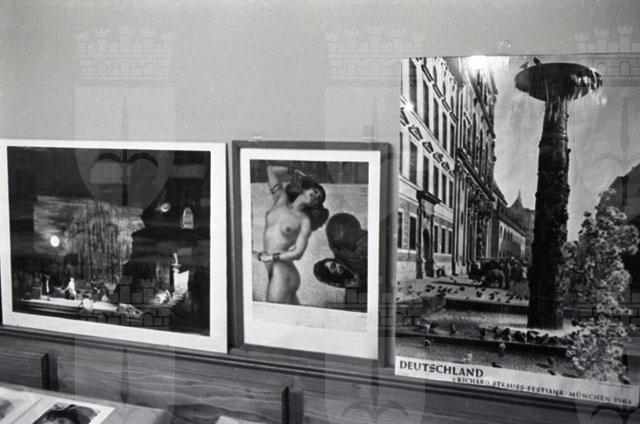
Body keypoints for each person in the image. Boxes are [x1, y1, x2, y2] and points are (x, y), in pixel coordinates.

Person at [255, 164, 329, 304]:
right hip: (274, 269)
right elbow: (271, 170)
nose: (316, 196)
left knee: (273, 313)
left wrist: (269, 257)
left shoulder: (304, 220)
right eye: (315, 191)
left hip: (283, 271)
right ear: (305, 188)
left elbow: (298, 253)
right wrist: (293, 171)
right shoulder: (280, 198)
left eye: (318, 198)